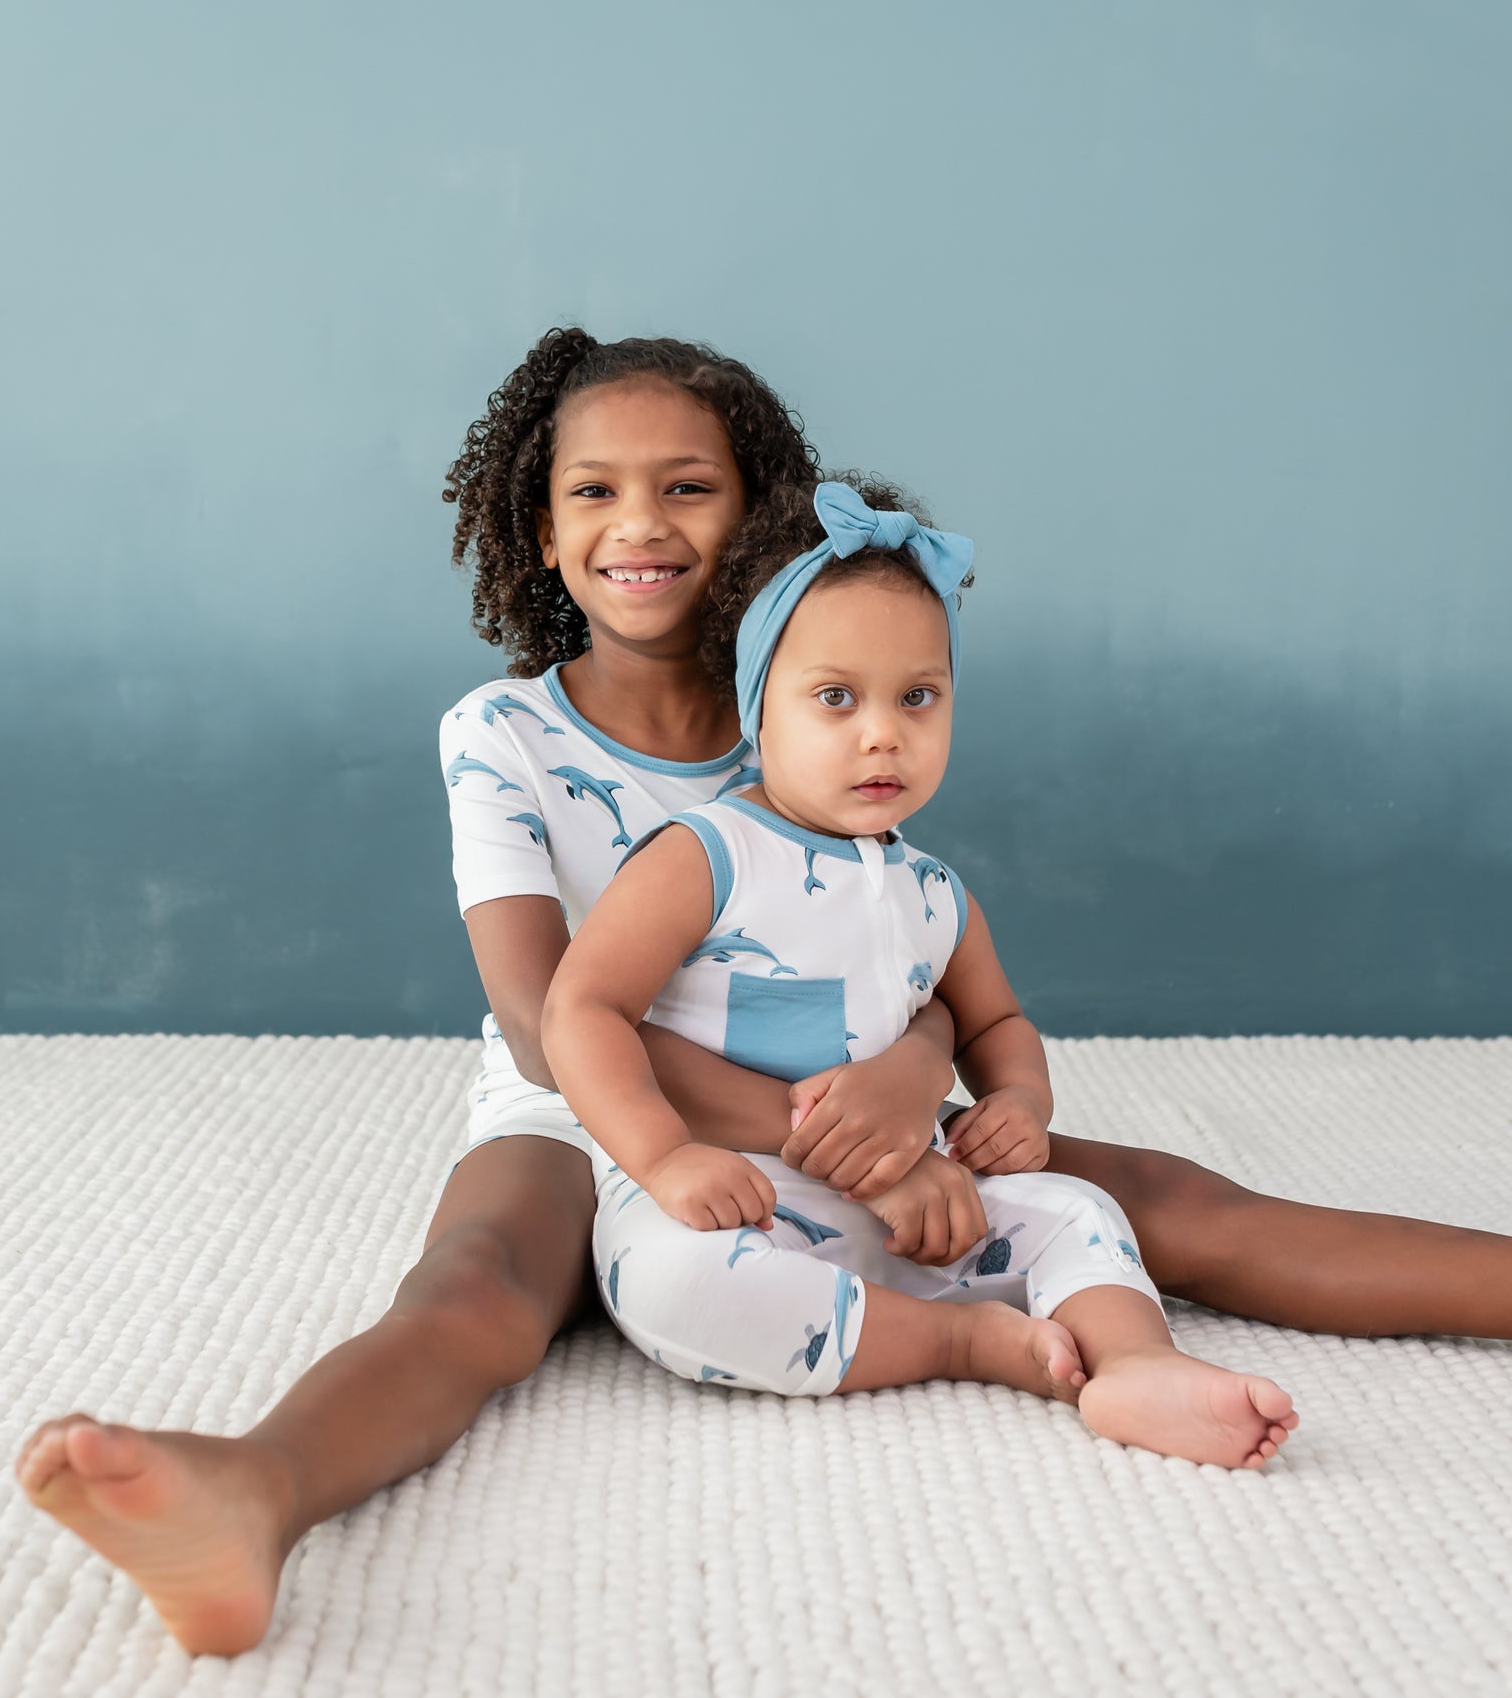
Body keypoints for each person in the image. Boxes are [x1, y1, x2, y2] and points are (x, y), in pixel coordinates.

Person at [15, 328, 1512, 1657]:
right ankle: (249, 1493)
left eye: (686, 488)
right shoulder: (506, 736)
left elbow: (890, 917)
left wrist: (916, 1074)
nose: (640, 527)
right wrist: (857, 1136)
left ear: (751, 515)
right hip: (583, 1104)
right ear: (538, 522)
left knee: (1160, 1198)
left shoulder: (830, 699)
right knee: (474, 1288)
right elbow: (551, 1013)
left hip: (851, 1094)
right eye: (594, 492)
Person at [543, 480, 1301, 1467]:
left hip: (921, 1197)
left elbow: (994, 1025)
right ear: (754, 707)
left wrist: (1020, 1099)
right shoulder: (707, 855)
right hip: (736, 1197)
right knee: (679, 1287)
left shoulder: (936, 892)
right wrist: (664, 1157)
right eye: (835, 698)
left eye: (918, 697)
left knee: (1080, 1210)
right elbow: (582, 1007)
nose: (882, 732)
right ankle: (971, 1344)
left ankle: (1136, 1362)